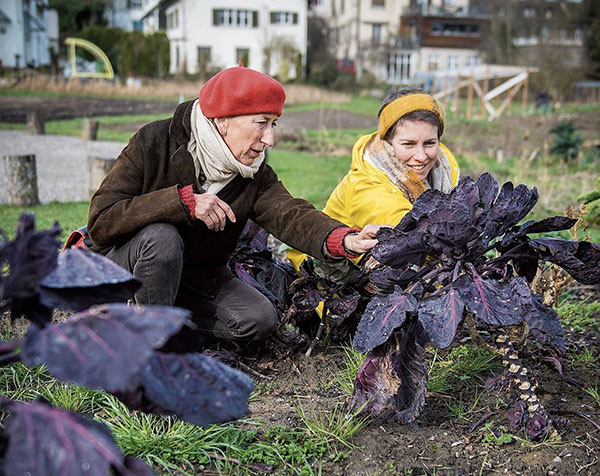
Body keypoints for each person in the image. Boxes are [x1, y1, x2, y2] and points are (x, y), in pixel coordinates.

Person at [87, 65, 381, 343]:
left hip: (193, 276)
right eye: (261, 123)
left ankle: (161, 317)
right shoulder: (152, 142)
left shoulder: (254, 173)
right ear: (222, 121)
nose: (270, 139)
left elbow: (291, 214)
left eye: (274, 124)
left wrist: (345, 239)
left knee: (258, 318)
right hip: (125, 267)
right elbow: (101, 222)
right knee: (161, 238)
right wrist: (181, 202)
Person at [288, 87, 460, 271]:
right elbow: (414, 235)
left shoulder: (444, 168)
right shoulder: (365, 184)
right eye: (408, 144)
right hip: (331, 279)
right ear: (387, 142)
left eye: (429, 143)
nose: (421, 156)